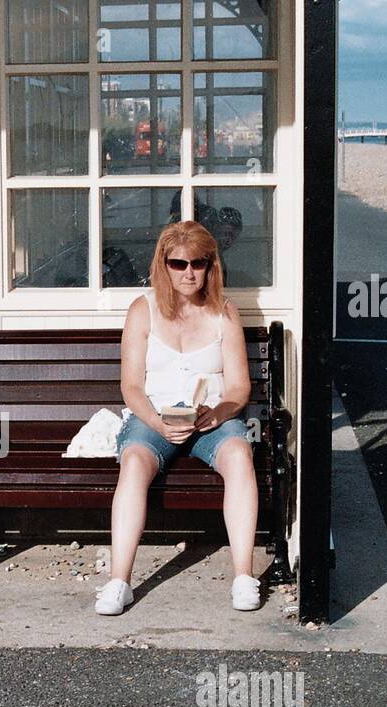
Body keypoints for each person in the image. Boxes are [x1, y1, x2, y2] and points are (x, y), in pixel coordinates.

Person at [94, 221, 262, 616]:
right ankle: (119, 581)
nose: (188, 273)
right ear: (163, 265)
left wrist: (216, 414)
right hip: (155, 417)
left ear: (210, 266)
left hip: (210, 420)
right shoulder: (143, 310)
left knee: (240, 454)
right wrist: (156, 423)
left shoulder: (224, 313)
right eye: (178, 263)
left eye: (198, 263)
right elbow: (131, 386)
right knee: (134, 461)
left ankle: (243, 576)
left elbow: (238, 389)